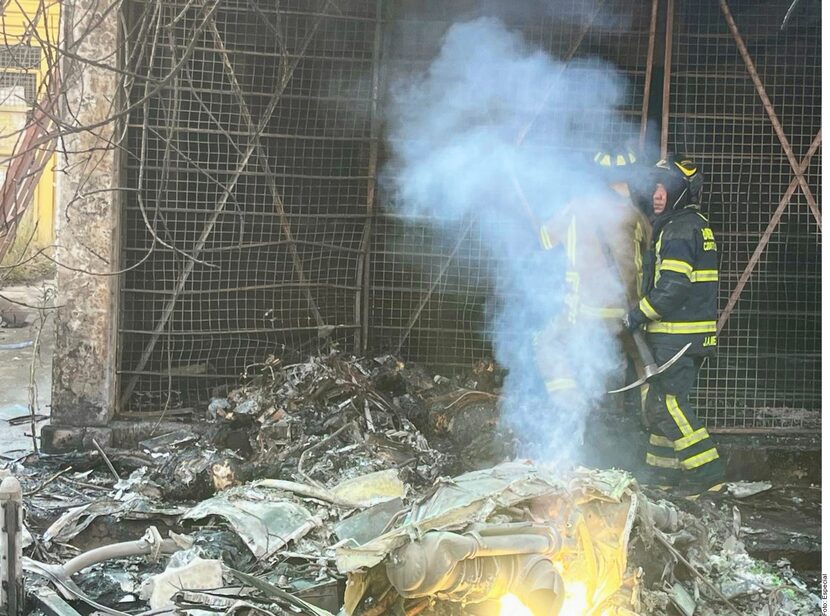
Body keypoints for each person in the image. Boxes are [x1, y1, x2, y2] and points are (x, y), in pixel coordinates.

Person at [624, 156, 725, 497]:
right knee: (659, 402)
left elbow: (673, 286)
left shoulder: (680, 228)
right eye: (653, 187)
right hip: (684, 334)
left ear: (682, 191)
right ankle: (660, 476)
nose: (657, 194)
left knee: (666, 403)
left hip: (678, 334)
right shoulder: (689, 223)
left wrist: (638, 313)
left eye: (665, 187)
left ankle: (707, 476)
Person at [535, 146, 651, 406]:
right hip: (629, 313)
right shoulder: (635, 215)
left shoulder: (575, 209)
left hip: (586, 313)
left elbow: (543, 241)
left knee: (547, 343)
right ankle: (650, 418)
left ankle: (569, 407)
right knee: (643, 362)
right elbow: (651, 251)